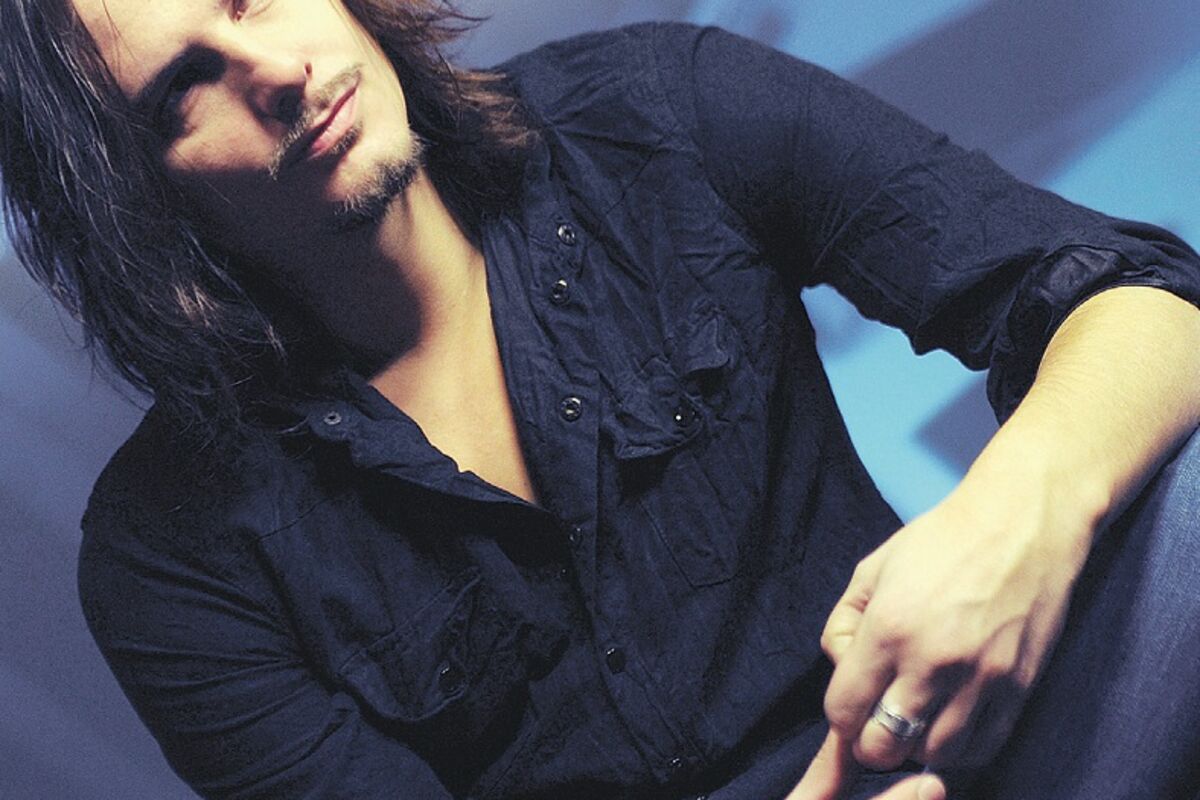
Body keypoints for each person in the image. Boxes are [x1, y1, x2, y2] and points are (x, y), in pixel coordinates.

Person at [2, 0, 1198, 798]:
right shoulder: (168, 556)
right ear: (132, 201)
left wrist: (1008, 524)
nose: (273, 71)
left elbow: (1144, 299)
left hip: (987, 740)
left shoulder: (656, 113)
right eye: (183, 89)